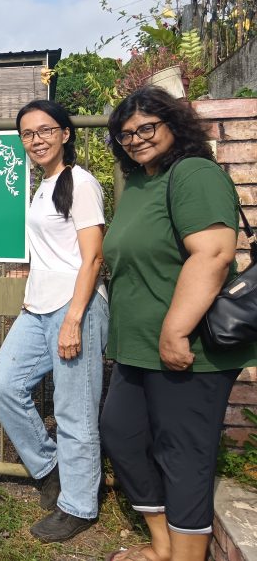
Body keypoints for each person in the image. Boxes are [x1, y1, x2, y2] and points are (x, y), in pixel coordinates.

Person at [100, 85, 257, 561]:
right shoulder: (140, 184)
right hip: (135, 347)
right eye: (125, 134)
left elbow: (212, 253)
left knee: (183, 455)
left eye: (147, 127)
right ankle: (163, 546)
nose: (136, 139)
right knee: (122, 433)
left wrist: (175, 331)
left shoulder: (192, 173)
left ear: (175, 124)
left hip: (186, 347)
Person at [0, 99, 109, 543]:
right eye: (27, 134)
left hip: (74, 307)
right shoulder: (44, 185)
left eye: (44, 131)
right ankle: (50, 466)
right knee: (2, 384)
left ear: (65, 134)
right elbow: (54, 249)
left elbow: (92, 256)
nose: (36, 140)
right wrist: (30, 271)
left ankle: (79, 505)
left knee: (74, 411)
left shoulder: (81, 182)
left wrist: (74, 319)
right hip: (37, 307)